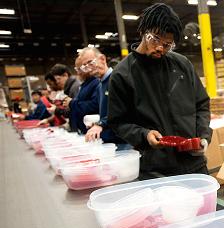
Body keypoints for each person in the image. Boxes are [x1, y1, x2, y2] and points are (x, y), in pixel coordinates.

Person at [108, 3, 211, 175]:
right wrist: (144, 134)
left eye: (167, 44)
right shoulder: (123, 74)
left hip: (194, 164)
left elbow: (201, 104)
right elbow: (118, 122)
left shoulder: (182, 65)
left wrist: (203, 136)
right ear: (143, 31)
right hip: (156, 169)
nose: (159, 48)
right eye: (155, 39)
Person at [82, 48, 129, 148]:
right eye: (85, 66)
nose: (89, 68)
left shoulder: (117, 79)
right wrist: (97, 123)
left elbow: (124, 109)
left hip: (123, 141)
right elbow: (108, 112)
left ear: (102, 59)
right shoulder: (100, 86)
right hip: (111, 140)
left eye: (90, 62)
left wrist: (100, 124)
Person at [68, 54, 101, 134]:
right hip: (86, 131)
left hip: (95, 131)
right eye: (78, 69)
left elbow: (94, 105)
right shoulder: (86, 83)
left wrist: (72, 103)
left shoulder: (97, 82)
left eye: (80, 68)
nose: (79, 72)